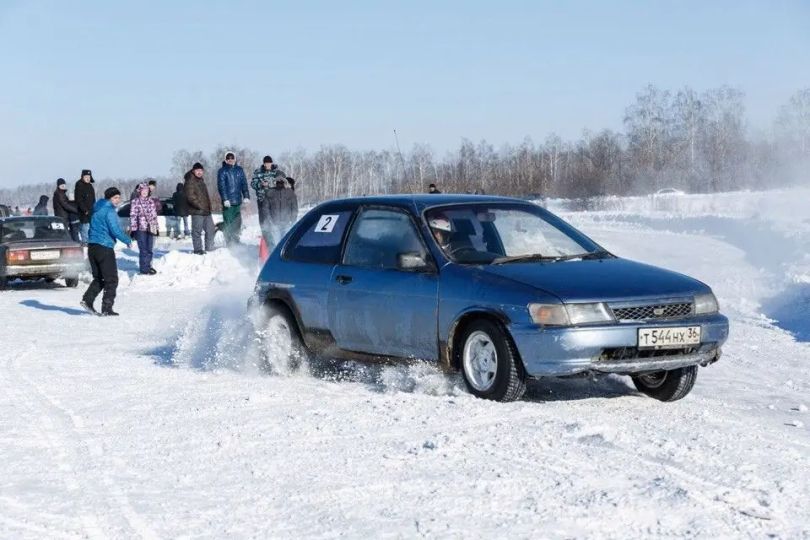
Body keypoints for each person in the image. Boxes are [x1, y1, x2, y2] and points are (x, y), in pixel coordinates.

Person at [80, 187, 132, 316]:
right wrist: (127, 239)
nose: (118, 200)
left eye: (119, 197)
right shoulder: (110, 211)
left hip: (92, 247)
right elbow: (115, 230)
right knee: (111, 279)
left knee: (99, 278)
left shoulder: (96, 209)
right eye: (115, 198)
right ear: (109, 198)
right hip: (104, 247)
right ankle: (107, 308)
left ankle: (87, 300)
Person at [251, 155, 288, 246]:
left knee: (275, 221)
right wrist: (260, 184)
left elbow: (283, 182)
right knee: (263, 222)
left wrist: (270, 183)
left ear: (271, 163)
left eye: (269, 163)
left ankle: (278, 242)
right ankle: (267, 242)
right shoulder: (258, 172)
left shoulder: (277, 172)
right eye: (266, 163)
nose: (267, 165)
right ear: (263, 163)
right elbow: (253, 184)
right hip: (262, 200)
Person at [217, 151, 250, 245]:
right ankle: (229, 242)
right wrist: (225, 199)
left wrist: (246, 196)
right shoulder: (222, 171)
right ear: (225, 160)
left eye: (232, 158)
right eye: (228, 158)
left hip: (238, 201)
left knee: (237, 222)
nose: (230, 160)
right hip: (228, 203)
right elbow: (221, 186)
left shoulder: (239, 170)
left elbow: (244, 183)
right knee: (228, 222)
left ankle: (236, 240)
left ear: (235, 159)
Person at [184, 162, 215, 254]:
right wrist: (200, 206)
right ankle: (198, 250)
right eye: (197, 170)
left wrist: (208, 207)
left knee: (210, 230)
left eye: (201, 170)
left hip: (206, 211)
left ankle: (209, 248)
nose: (199, 172)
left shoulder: (201, 181)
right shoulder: (190, 181)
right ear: (193, 171)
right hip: (197, 211)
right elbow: (190, 197)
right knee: (197, 231)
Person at [129, 182, 159, 275]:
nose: (145, 192)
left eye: (146, 190)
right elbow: (133, 216)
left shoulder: (151, 201)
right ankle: (144, 269)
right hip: (140, 229)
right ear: (140, 191)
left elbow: (154, 215)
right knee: (143, 249)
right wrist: (133, 229)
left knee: (150, 249)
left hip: (151, 227)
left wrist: (156, 227)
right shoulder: (135, 202)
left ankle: (148, 266)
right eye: (143, 190)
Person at [266, 178, 299, 246]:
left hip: (287, 223)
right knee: (276, 244)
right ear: (275, 182)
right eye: (278, 182)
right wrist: (270, 221)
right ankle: (275, 256)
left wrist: (292, 220)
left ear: (284, 182)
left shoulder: (290, 192)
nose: (280, 183)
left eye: (282, 182)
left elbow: (294, 208)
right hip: (275, 223)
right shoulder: (270, 192)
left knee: (286, 243)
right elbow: (266, 208)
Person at [75, 169, 96, 246]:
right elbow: (79, 199)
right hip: (83, 211)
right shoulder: (79, 185)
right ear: (82, 177)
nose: (87, 178)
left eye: (89, 177)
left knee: (90, 227)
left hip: (91, 210)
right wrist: (85, 210)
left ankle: (89, 241)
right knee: (85, 226)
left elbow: (93, 199)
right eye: (86, 176)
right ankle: (85, 242)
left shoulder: (90, 186)